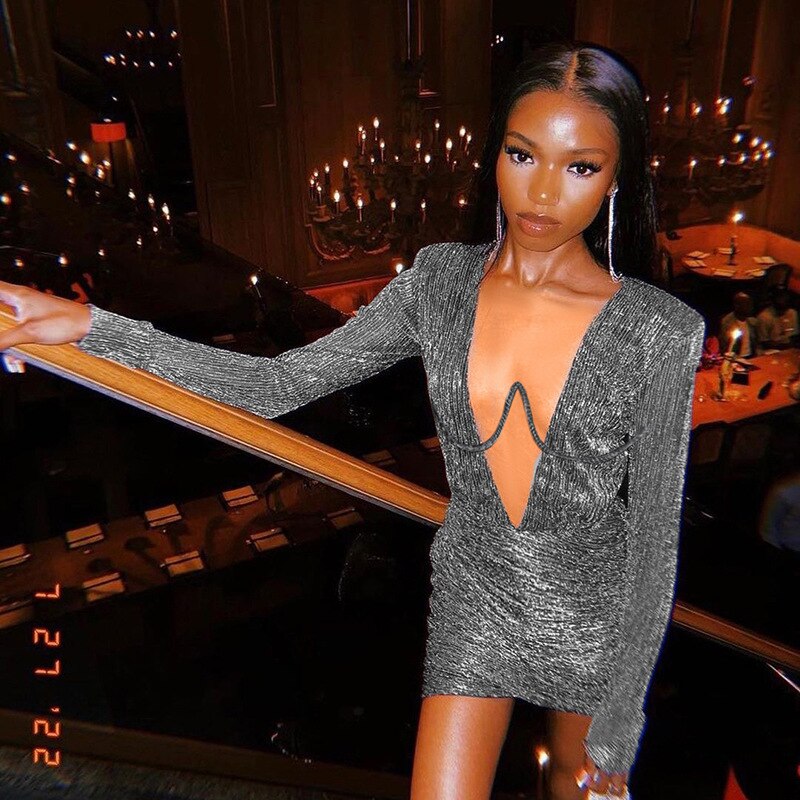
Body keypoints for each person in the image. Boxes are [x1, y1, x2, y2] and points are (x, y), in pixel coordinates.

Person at [0, 40, 705, 800]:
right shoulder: (439, 282)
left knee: (582, 786)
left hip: (590, 600)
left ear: (616, 177)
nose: (540, 191)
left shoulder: (658, 330)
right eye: (522, 154)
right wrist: (92, 327)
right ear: (496, 152)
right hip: (477, 590)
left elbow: (653, 539)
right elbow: (276, 383)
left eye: (580, 167)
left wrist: (624, 712)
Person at [719, 292, 759, 356]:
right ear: (737, 305)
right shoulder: (727, 322)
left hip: (751, 357)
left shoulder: (752, 322)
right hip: (736, 358)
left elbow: (756, 344)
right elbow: (725, 346)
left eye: (751, 304)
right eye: (747, 304)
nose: (751, 307)